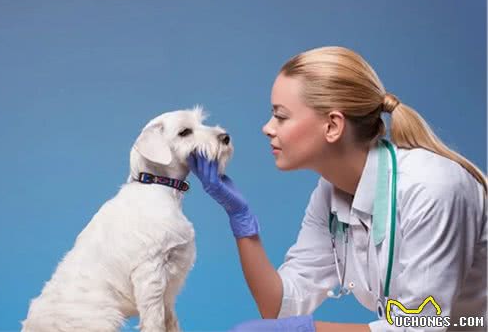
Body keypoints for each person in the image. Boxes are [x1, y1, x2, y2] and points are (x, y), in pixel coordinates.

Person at [187, 46, 487, 332]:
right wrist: (240, 218)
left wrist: (303, 330)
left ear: (332, 126)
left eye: (280, 116)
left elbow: (424, 326)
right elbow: (280, 307)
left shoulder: (431, 188)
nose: (267, 127)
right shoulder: (331, 193)